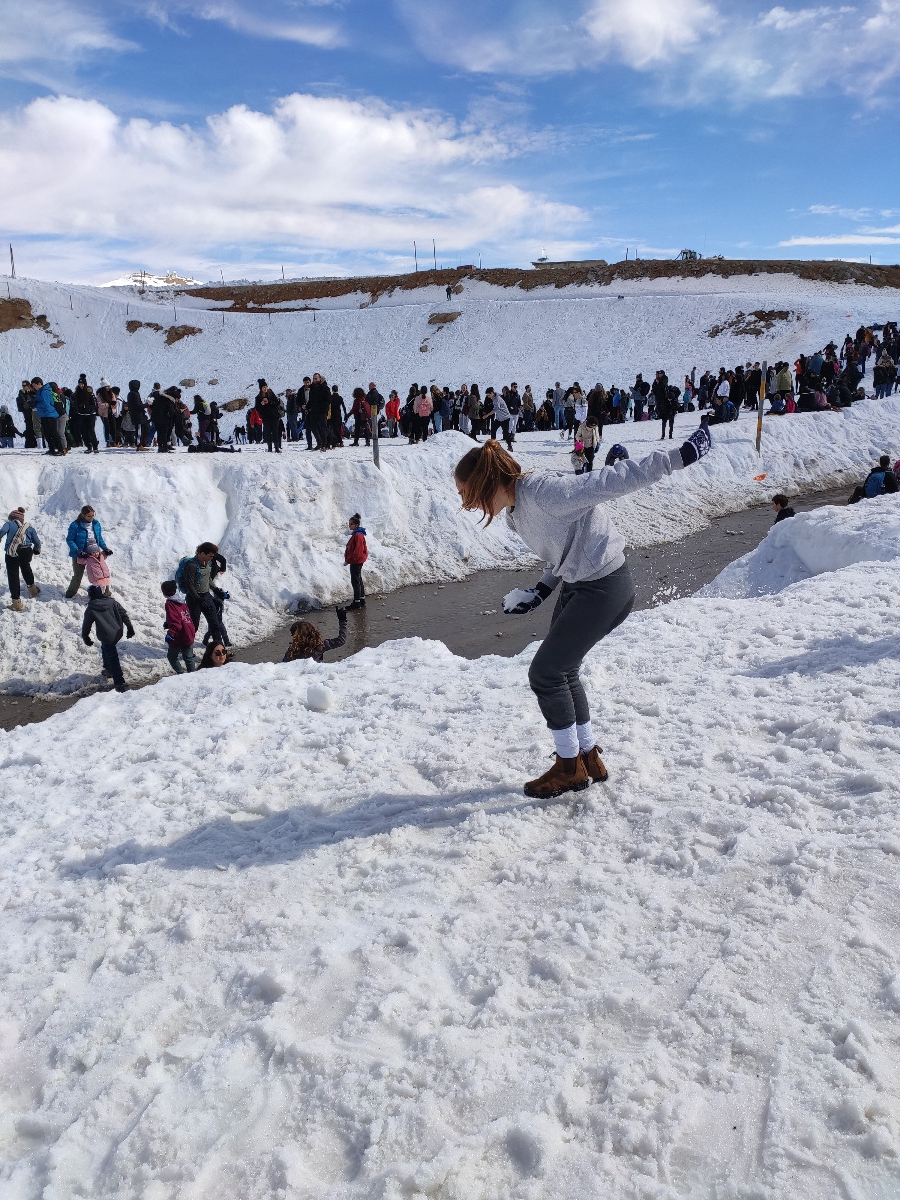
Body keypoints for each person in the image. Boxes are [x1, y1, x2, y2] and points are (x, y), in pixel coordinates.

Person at [454, 421, 712, 799]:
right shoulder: (515, 513)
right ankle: (588, 757)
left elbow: (611, 479)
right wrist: (540, 591)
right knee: (564, 672)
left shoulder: (545, 492)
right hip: (580, 585)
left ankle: (568, 769)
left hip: (606, 587)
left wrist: (680, 456)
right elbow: (561, 550)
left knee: (546, 673)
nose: (468, 504)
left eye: (469, 494)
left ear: (487, 482)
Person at [82, 584, 134, 692]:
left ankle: (119, 682)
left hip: (106, 635)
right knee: (106, 648)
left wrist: (86, 637)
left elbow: (86, 625)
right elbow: (124, 614)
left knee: (112, 656)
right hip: (117, 632)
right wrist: (130, 628)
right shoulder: (113, 602)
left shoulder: (91, 608)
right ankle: (108, 669)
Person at [180, 542, 231, 648]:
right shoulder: (191, 566)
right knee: (194, 626)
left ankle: (219, 650)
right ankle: (186, 648)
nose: (212, 558)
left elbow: (208, 580)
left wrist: (216, 590)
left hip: (206, 596)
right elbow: (189, 585)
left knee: (215, 624)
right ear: (202, 553)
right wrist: (198, 599)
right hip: (194, 599)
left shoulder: (207, 564)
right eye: (210, 556)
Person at [65, 505, 111, 597]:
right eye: (89, 516)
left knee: (101, 573)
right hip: (80, 554)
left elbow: (99, 538)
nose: (91, 518)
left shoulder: (96, 524)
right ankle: (70, 594)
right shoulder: (75, 525)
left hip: (94, 553)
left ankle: (105, 593)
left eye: (93, 515)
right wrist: (77, 551)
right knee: (78, 575)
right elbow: (70, 539)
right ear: (83, 515)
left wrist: (105, 548)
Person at [1, 507, 41, 612]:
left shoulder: (9, 524)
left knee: (13, 575)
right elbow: (37, 542)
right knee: (26, 568)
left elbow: (2, 531)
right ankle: (33, 590)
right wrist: (36, 550)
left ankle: (16, 603)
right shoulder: (29, 527)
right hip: (26, 552)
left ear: (12, 518)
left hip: (12, 553)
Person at [284, 608, 348, 662]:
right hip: (315, 675)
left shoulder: (293, 649)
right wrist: (342, 621)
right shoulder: (319, 646)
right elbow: (341, 640)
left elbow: (282, 665)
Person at [161, 580, 197, 673]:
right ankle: (193, 676)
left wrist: (171, 633)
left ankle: (181, 675)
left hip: (179, 634)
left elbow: (176, 622)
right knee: (188, 657)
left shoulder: (170, 603)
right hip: (189, 631)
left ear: (165, 592)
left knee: (172, 657)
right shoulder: (181, 601)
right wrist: (168, 623)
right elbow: (182, 616)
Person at [32, 377, 65, 456]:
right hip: (44, 414)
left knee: (53, 432)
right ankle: (51, 449)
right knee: (47, 433)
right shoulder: (40, 391)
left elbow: (46, 403)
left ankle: (60, 449)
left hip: (49, 414)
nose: (33, 387)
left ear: (39, 383)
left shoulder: (44, 391)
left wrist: (36, 403)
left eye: (34, 385)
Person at [345, 514, 368, 609]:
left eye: (351, 524)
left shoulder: (358, 535)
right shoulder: (358, 534)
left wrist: (350, 560)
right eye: (349, 523)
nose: (349, 525)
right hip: (357, 560)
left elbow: (357, 551)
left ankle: (357, 603)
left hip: (356, 561)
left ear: (356, 525)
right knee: (358, 580)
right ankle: (361, 600)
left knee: (355, 581)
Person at [255, 379, 283, 452]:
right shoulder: (258, 397)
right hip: (266, 417)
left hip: (274, 416)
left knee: (275, 432)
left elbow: (277, 402)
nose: (265, 388)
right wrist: (261, 404)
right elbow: (257, 408)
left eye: (265, 387)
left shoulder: (271, 393)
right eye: (263, 387)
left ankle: (277, 448)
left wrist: (269, 402)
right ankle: (269, 448)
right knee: (267, 433)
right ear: (261, 389)